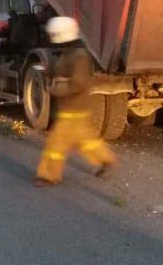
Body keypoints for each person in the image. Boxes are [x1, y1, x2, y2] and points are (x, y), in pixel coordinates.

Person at [34, 16, 117, 187]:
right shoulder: (71, 52)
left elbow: (78, 84)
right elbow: (61, 70)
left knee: (56, 143)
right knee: (85, 139)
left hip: (74, 107)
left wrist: (56, 90)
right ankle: (107, 160)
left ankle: (48, 176)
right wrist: (47, 70)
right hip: (74, 107)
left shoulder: (79, 55)